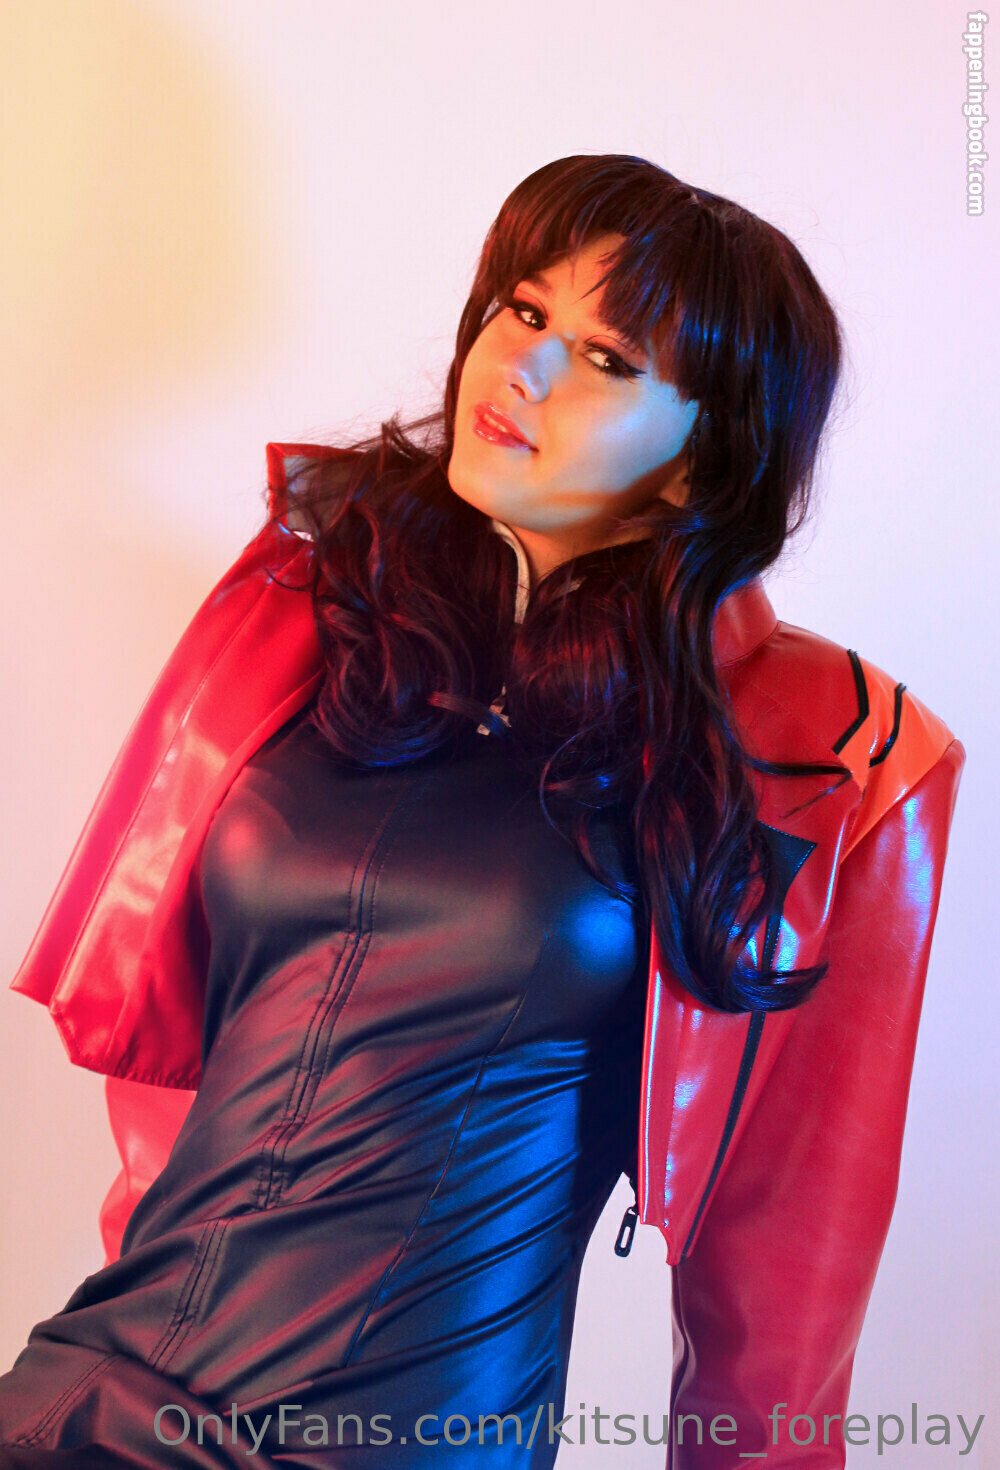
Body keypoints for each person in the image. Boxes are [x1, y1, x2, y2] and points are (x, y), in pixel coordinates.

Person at [0, 154, 964, 1468]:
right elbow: (177, 1047)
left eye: (608, 357)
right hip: (95, 1392)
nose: (526, 368)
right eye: (524, 309)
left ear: (705, 461)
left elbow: (783, 1275)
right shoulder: (313, 601)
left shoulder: (826, 753)